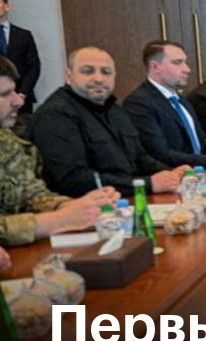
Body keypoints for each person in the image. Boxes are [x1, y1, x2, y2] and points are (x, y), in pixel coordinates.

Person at [27, 46, 186, 197]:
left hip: (126, 199)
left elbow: (139, 158)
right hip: (83, 209)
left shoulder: (115, 110)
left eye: (106, 72)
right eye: (88, 71)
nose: (98, 79)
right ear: (69, 76)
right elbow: (73, 180)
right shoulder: (55, 115)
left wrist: (170, 173)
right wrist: (146, 184)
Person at [0, 55, 118, 246]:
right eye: (5, 94)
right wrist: (58, 220)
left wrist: (73, 206)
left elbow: (32, 195)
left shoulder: (6, 140)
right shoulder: (55, 114)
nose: (18, 101)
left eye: (14, 91)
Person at [124, 40, 206, 168]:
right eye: (177, 63)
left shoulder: (181, 100)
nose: (187, 69)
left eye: (185, 62)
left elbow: (200, 141)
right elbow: (160, 153)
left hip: (200, 174)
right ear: (155, 67)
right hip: (173, 175)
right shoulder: (139, 103)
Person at [0, 0, 41, 122]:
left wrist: (22, 94)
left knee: (24, 130)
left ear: (7, 6)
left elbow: (34, 67)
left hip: (23, 98)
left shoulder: (24, 35)